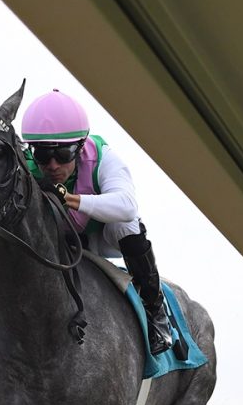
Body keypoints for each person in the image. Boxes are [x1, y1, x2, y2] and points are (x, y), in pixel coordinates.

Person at [21, 89, 173, 355]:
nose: (53, 165)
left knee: (126, 224)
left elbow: (127, 206)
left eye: (64, 154)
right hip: (61, 238)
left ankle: (155, 309)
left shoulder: (102, 157)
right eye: (43, 155)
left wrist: (71, 199)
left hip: (101, 236)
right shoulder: (25, 164)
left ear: (80, 147)